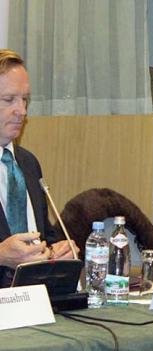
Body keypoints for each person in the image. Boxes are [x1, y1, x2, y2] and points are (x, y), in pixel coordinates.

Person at [0, 49, 77, 287]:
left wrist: (59, 251)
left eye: (25, 100)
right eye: (9, 100)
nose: (22, 111)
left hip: (37, 300)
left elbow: (44, 237)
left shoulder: (28, 164)